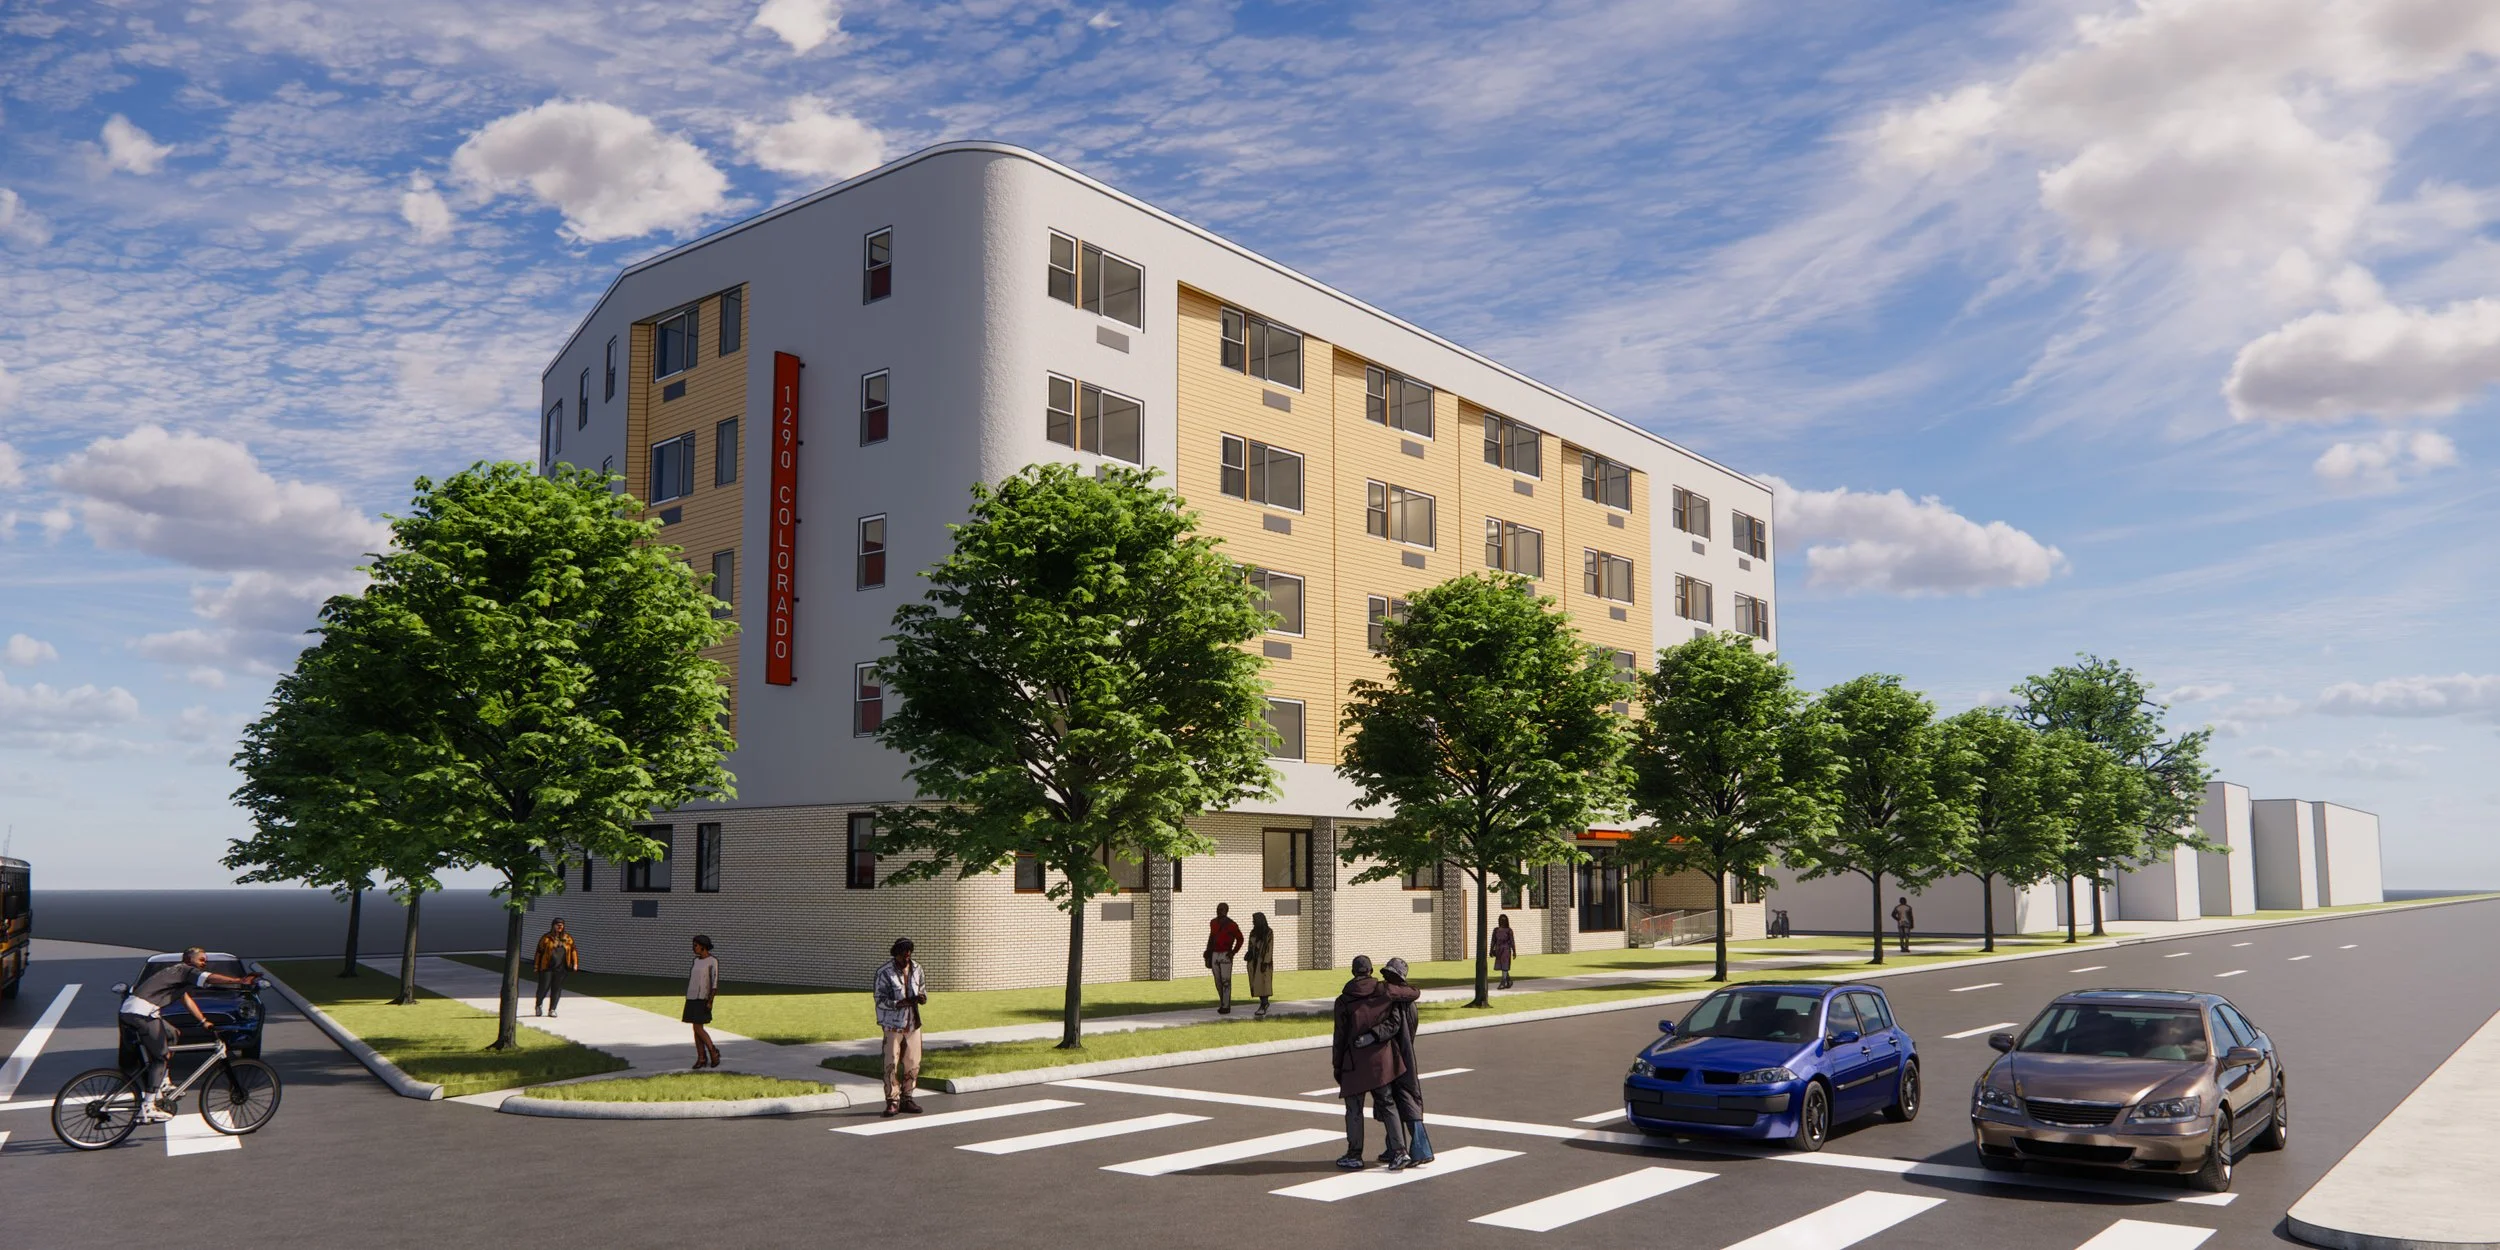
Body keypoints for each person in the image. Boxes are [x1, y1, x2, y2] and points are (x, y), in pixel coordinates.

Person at [118, 948, 260, 1121]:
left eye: (205, 960)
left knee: (172, 1033)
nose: (204, 963)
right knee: (160, 1057)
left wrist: (203, 1022)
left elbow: (187, 1001)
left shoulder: (177, 976)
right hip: (141, 1013)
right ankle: (147, 1107)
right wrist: (240, 980)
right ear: (188, 959)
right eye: (201, 960)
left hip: (135, 1011)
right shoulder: (185, 970)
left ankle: (163, 1080)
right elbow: (209, 978)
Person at [1330, 955, 1419, 1171]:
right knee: (1388, 1104)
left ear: (1353, 972)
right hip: (1382, 1061)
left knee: (1354, 1110)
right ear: (1371, 970)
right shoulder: (1384, 990)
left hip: (1353, 1062)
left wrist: (1337, 1066)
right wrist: (1375, 1035)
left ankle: (1354, 1155)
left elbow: (1339, 1038)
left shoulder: (1343, 1000)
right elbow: (1412, 996)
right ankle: (1400, 1152)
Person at [1378, 957, 1433, 1167]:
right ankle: (1393, 1146)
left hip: (1396, 1056)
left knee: (1401, 1100)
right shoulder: (1409, 1002)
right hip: (1405, 1054)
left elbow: (1392, 1028)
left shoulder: (1395, 1002)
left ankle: (1420, 1148)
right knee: (1400, 1100)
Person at [874, 937, 928, 1118]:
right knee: (891, 1063)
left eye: (909, 954)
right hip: (893, 1025)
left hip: (913, 1023)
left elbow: (922, 989)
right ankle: (892, 1100)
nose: (907, 958)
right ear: (896, 954)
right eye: (903, 955)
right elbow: (879, 1000)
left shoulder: (917, 969)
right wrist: (898, 1003)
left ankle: (908, 1097)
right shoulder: (884, 972)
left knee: (913, 1062)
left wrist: (921, 997)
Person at [684, 935, 721, 1070]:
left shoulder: (712, 961)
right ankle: (701, 1057)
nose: (694, 948)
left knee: (698, 1028)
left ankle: (713, 1051)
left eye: (696, 945)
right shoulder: (696, 961)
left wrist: (710, 1000)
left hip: (703, 998)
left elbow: (714, 982)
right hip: (692, 997)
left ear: (703, 946)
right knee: (696, 1029)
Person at [1205, 903, 1244, 1014]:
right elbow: (1211, 937)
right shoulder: (1213, 922)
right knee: (1218, 981)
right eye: (1218, 909)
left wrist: (1233, 952)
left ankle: (1226, 1006)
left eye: (1221, 909)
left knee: (1226, 981)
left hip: (1226, 954)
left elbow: (1240, 938)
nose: (1219, 911)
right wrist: (1208, 952)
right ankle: (1223, 1003)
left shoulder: (1232, 925)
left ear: (1226, 911)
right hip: (1215, 954)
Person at [534, 918, 578, 1018]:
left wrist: (575, 963)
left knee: (557, 989)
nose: (559, 927)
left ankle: (552, 1009)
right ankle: (538, 1005)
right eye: (557, 925)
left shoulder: (568, 938)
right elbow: (539, 952)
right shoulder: (546, 938)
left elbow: (573, 950)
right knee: (543, 988)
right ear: (553, 925)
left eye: (561, 925)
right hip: (547, 968)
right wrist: (536, 966)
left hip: (561, 968)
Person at [1244, 912, 1276, 1019]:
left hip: (1263, 962)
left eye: (1254, 920)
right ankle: (1263, 1003)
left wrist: (1265, 962)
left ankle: (1264, 1004)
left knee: (1263, 983)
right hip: (1254, 961)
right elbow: (1250, 945)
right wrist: (1248, 954)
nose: (1253, 922)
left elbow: (1269, 948)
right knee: (1256, 984)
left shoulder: (1268, 932)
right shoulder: (1253, 932)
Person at [1491, 913, 1518, 990]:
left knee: (1505, 966)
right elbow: (1493, 940)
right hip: (1498, 950)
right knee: (1502, 966)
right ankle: (1509, 981)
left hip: (1506, 950)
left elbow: (1512, 941)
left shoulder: (1509, 930)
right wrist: (1491, 949)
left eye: (1503, 920)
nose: (1502, 922)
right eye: (1500, 920)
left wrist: (1514, 951)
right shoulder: (1496, 930)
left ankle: (1503, 982)